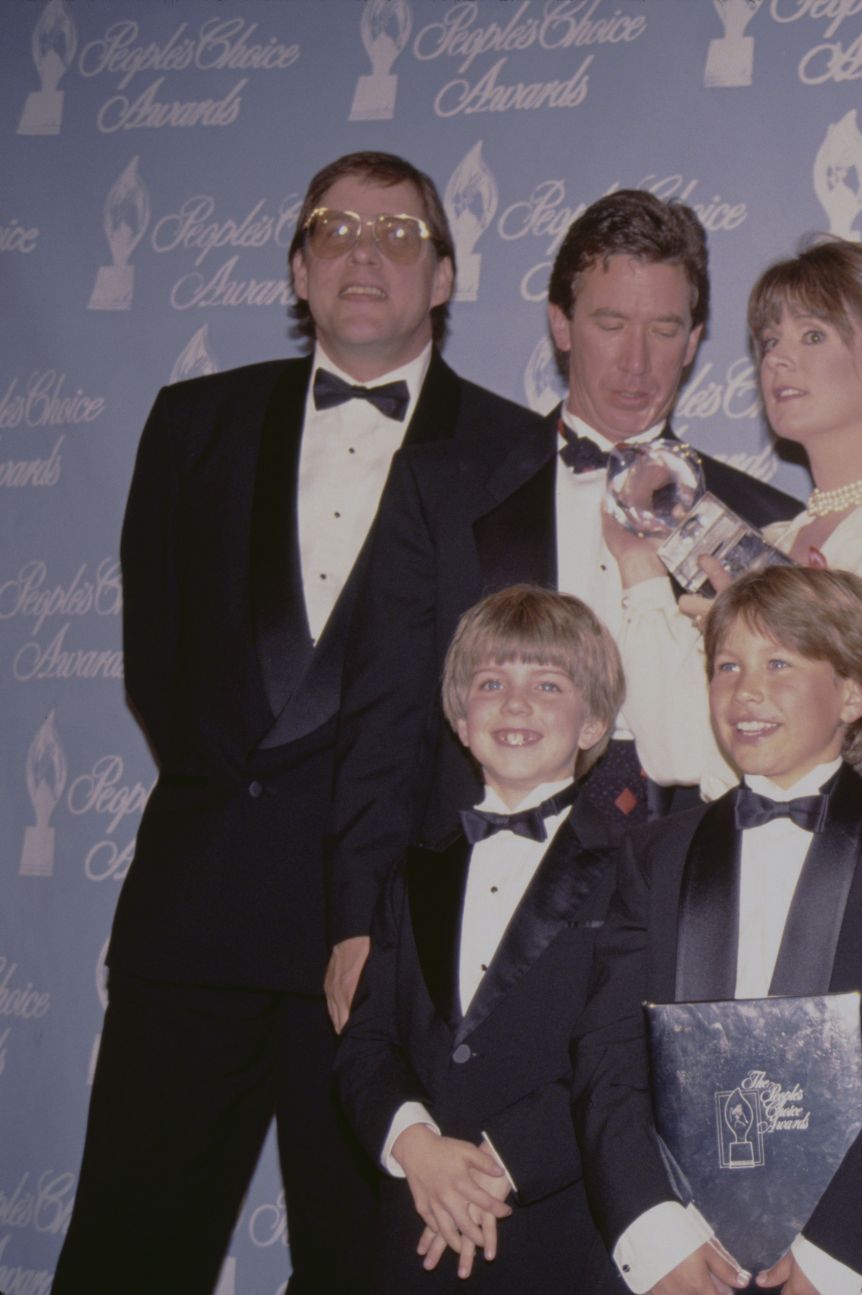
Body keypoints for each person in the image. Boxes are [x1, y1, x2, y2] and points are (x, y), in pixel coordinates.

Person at [56, 150, 541, 1294]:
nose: (363, 252)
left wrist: (376, 884)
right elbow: (158, 670)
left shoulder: (518, 454)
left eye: (398, 233)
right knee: (129, 1249)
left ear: (445, 278)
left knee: (360, 1270)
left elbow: (518, 691)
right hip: (200, 916)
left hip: (391, 944)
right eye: (335, 228)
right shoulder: (193, 423)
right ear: (298, 266)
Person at [326, 189, 800, 1031]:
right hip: (477, 900)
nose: (636, 362)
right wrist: (358, 917)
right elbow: (382, 720)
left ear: (695, 342)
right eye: (611, 322)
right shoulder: (442, 491)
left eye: (664, 330)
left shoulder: (759, 522)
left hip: (685, 904)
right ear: (559, 324)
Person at [573, 565, 862, 1295]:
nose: (745, 690)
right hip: (676, 1260)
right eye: (727, 666)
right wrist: (654, 1235)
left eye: (780, 662)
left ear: (854, 691)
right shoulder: (656, 854)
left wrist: (833, 1256)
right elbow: (606, 1054)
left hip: (851, 1260)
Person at [336, 586, 631, 1293]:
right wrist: (417, 1147)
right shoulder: (415, 870)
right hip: (415, 1225)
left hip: (561, 1230)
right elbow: (366, 1042)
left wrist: (493, 1167)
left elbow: (625, 1052)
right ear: (461, 722)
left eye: (548, 683)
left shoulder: (636, 867)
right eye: (491, 683)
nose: (516, 703)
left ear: (594, 722)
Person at [609, 238, 862, 797]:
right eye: (769, 341)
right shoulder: (765, 544)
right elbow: (675, 753)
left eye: (813, 335)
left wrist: (780, 651)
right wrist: (641, 569)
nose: (777, 358)